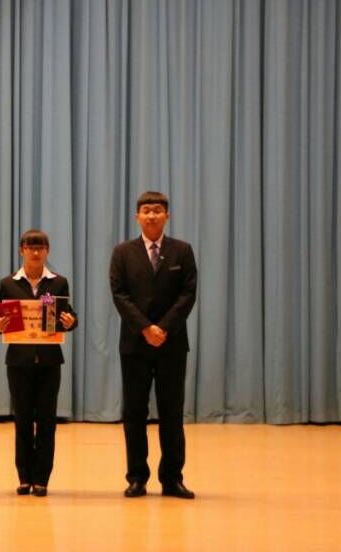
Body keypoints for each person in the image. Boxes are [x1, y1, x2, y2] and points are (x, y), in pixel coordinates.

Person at [109, 191, 197, 499]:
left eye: (157, 210)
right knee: (134, 413)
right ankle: (137, 478)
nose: (151, 215)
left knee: (172, 412)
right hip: (135, 344)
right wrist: (145, 327)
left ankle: (172, 479)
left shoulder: (182, 251)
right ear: (137, 217)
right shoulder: (123, 252)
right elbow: (119, 294)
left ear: (166, 216)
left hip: (172, 344)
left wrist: (163, 328)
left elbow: (188, 294)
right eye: (146, 210)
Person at [0, 229, 77, 497]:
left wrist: (71, 321)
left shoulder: (58, 283)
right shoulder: (9, 283)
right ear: (22, 251)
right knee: (23, 420)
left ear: (47, 251)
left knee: (47, 421)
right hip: (18, 362)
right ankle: (24, 477)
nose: (35, 252)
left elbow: (67, 315)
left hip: (49, 362)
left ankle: (42, 478)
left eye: (40, 248)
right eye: (30, 247)